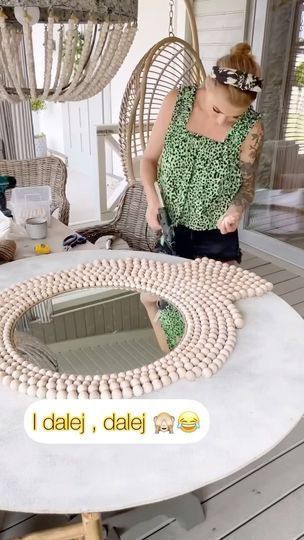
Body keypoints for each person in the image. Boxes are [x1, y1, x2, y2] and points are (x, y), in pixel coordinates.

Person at [140, 42, 264, 351]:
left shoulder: (253, 128)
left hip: (215, 238)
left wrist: (235, 211)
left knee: (216, 322)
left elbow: (246, 186)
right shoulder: (176, 102)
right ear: (208, 86)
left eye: (235, 117)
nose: (223, 121)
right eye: (218, 110)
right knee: (165, 312)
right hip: (172, 230)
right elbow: (148, 161)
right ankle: (176, 370)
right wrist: (152, 201)